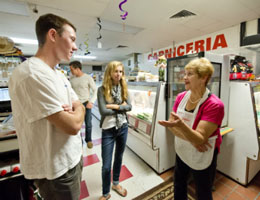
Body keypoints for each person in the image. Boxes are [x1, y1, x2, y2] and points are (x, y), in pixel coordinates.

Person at [9, 13, 85, 200]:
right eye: (72, 39)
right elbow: (73, 126)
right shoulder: (31, 74)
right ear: (53, 35)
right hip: (57, 172)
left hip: (72, 158)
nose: (75, 47)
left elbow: (79, 104)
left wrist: (77, 109)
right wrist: (77, 113)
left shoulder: (58, 74)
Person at [158, 57, 224, 200]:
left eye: (190, 74)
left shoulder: (214, 105)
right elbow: (171, 126)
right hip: (183, 150)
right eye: (185, 73)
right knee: (179, 183)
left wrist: (181, 127)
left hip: (203, 154)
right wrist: (193, 140)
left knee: (203, 191)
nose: (184, 78)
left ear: (204, 78)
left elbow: (200, 138)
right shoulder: (181, 97)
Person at [97, 61, 132, 200]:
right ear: (110, 73)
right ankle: (105, 193)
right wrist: (121, 106)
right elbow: (103, 111)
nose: (118, 74)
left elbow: (129, 107)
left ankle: (116, 183)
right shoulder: (102, 89)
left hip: (123, 127)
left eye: (121, 72)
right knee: (106, 165)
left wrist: (114, 106)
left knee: (119, 157)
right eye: (116, 71)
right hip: (108, 130)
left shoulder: (124, 88)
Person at [69, 60, 97, 149]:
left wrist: (91, 101)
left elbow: (95, 90)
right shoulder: (71, 79)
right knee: (77, 124)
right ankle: (79, 141)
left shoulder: (88, 78)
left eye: (72, 69)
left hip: (86, 103)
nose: (71, 72)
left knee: (88, 124)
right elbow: (70, 92)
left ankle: (88, 140)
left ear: (77, 69)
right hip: (76, 105)